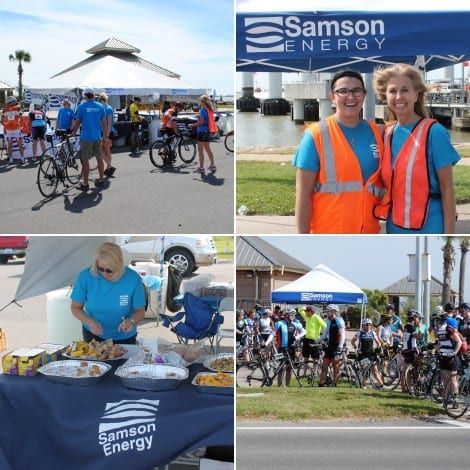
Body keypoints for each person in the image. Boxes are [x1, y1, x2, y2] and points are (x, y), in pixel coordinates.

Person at [293, 69, 385, 234]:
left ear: (364, 95)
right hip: (328, 232)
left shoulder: (378, 132)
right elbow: (303, 195)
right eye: (342, 91)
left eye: (356, 91)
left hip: (369, 233)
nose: (350, 97)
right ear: (332, 97)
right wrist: (303, 238)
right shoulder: (315, 135)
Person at [373, 63, 460, 233]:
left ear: (416, 94)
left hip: (431, 227)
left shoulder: (435, 132)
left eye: (405, 90)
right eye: (392, 91)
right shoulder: (387, 134)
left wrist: (449, 235)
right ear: (385, 96)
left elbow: (447, 188)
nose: (399, 96)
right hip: (395, 227)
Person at [70, 242, 146, 344]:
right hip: (93, 335)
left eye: (109, 270)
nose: (104, 273)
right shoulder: (86, 276)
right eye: (100, 268)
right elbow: (75, 307)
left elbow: (140, 311)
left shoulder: (132, 278)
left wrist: (131, 321)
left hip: (124, 336)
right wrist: (90, 322)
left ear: (119, 265)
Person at [70, 87, 108, 191]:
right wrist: (105, 136)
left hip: (86, 137)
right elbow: (104, 122)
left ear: (85, 96)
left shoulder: (82, 106)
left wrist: (73, 132)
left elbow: (77, 122)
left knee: (85, 160)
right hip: (97, 137)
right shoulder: (100, 106)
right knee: (99, 158)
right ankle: (100, 180)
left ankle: (85, 184)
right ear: (93, 95)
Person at [265, 309, 305, 386]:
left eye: (294, 315)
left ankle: (287, 386)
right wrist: (266, 343)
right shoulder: (279, 323)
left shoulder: (295, 324)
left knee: (289, 368)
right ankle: (279, 386)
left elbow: (304, 332)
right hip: (281, 349)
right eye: (291, 314)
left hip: (291, 348)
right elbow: (272, 334)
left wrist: (297, 337)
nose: (293, 316)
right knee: (280, 368)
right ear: (286, 315)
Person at [351, 318, 384, 388]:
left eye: (370, 325)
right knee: (364, 370)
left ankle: (381, 384)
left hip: (371, 354)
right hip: (362, 354)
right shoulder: (359, 333)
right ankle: (364, 385)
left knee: (375, 370)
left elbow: (378, 343)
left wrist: (378, 348)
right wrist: (356, 348)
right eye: (367, 325)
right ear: (363, 325)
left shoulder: (373, 333)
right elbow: (352, 341)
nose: (368, 326)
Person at [435, 314, 462, 398]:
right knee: (444, 379)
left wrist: (454, 352)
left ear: (440, 321)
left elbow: (459, 342)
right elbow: (440, 343)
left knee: (453, 379)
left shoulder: (448, 329)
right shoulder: (439, 331)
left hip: (451, 358)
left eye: (437, 321)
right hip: (443, 357)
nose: (435, 323)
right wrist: (434, 350)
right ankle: (445, 399)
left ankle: (455, 399)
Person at [318, 304, 345, 387]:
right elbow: (325, 334)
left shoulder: (339, 321)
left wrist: (340, 346)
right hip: (330, 346)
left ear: (333, 312)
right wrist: (316, 341)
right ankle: (322, 383)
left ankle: (334, 384)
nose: (327, 314)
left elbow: (343, 335)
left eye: (328, 312)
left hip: (337, 346)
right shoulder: (329, 321)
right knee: (324, 365)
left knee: (335, 367)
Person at [195, 94, 217, 175]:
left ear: (203, 102)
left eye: (200, 101)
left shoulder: (203, 110)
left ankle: (201, 168)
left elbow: (201, 122)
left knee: (200, 151)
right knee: (208, 149)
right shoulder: (209, 110)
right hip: (207, 131)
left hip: (201, 131)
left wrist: (193, 125)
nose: (200, 103)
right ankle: (212, 165)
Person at [400, 310, 421, 392]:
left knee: (405, 370)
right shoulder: (411, 327)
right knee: (416, 367)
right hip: (411, 350)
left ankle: (404, 388)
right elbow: (418, 337)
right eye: (417, 318)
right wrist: (419, 326)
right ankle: (412, 385)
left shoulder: (406, 326)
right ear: (414, 318)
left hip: (405, 350)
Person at [1, 96, 25, 163]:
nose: (15, 103)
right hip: (16, 129)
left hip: (8, 131)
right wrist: (20, 125)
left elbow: (1, 120)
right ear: (12, 102)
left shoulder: (4, 110)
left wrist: (6, 126)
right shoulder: (17, 108)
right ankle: (22, 159)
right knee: (20, 144)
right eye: (14, 101)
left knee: (9, 144)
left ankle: (11, 159)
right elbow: (21, 118)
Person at [98, 92, 116, 177]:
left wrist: (107, 136)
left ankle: (109, 167)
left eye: (101, 102)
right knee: (102, 150)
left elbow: (109, 124)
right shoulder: (103, 108)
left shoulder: (108, 108)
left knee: (106, 150)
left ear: (104, 101)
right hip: (103, 132)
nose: (100, 104)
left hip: (108, 132)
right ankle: (109, 166)